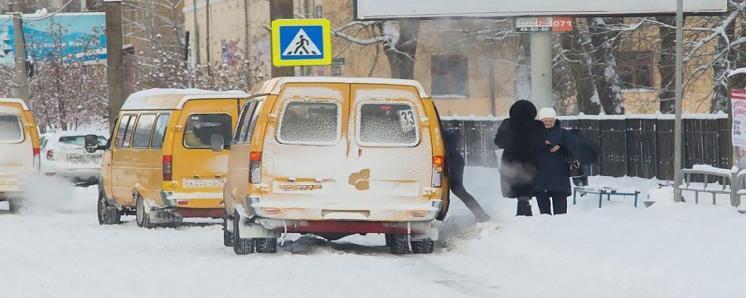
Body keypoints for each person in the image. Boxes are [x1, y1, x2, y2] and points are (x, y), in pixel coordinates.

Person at [494, 100, 545, 216]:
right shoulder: (538, 125)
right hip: (530, 162)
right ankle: (524, 209)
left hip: (511, 162)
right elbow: (541, 144)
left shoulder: (507, 123)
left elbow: (498, 141)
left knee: (516, 186)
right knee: (526, 187)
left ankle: (522, 211)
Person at [443, 129, 491, 222]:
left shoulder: (435, 131)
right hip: (450, 162)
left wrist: (446, 152)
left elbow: (453, 136)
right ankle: (481, 214)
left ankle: (481, 215)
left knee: (458, 189)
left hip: (453, 162)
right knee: (457, 190)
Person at [534, 107, 575, 215]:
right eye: (545, 121)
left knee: (560, 213)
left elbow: (573, 149)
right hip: (540, 176)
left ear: (555, 120)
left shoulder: (563, 133)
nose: (547, 123)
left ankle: (560, 230)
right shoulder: (534, 134)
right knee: (544, 214)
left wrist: (560, 147)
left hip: (559, 176)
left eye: (550, 121)